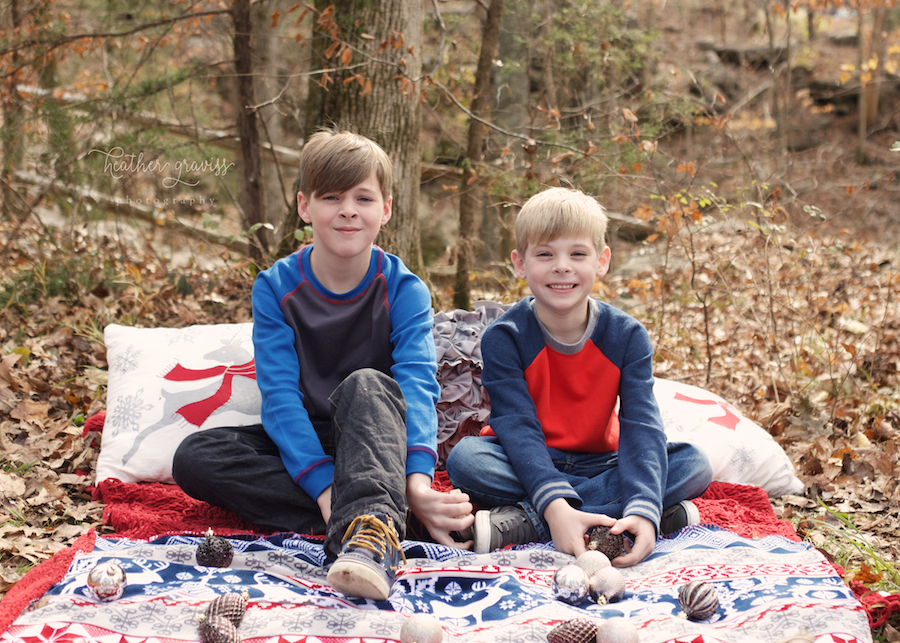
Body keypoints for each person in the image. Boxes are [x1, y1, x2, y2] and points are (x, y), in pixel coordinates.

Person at [172, 129, 474, 601]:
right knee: (194, 458)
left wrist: (417, 478)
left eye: (363, 197)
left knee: (368, 384)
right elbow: (279, 397)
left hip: (378, 432)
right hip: (313, 436)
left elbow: (416, 386)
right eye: (332, 197)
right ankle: (381, 517)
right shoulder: (275, 288)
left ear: (386, 209)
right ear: (304, 206)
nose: (348, 209)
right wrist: (323, 487)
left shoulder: (404, 287)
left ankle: (375, 533)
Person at [445, 187, 713, 566]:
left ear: (601, 260)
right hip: (525, 457)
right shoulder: (506, 337)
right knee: (466, 460)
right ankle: (596, 513)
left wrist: (644, 508)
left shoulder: (627, 336)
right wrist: (557, 501)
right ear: (520, 264)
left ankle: (530, 520)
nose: (561, 266)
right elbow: (517, 426)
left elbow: (642, 426)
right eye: (545, 254)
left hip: (602, 461)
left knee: (694, 463)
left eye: (577, 254)